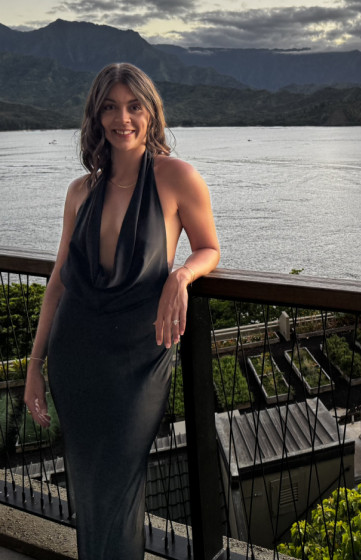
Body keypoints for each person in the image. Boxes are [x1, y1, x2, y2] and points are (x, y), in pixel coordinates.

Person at [23, 62, 220, 559]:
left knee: (120, 484)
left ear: (151, 113)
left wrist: (181, 276)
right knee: (91, 490)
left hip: (138, 361)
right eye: (110, 107)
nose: (122, 118)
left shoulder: (177, 177)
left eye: (133, 106)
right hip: (75, 356)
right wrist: (35, 365)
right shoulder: (80, 192)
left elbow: (209, 249)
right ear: (96, 116)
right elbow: (59, 281)